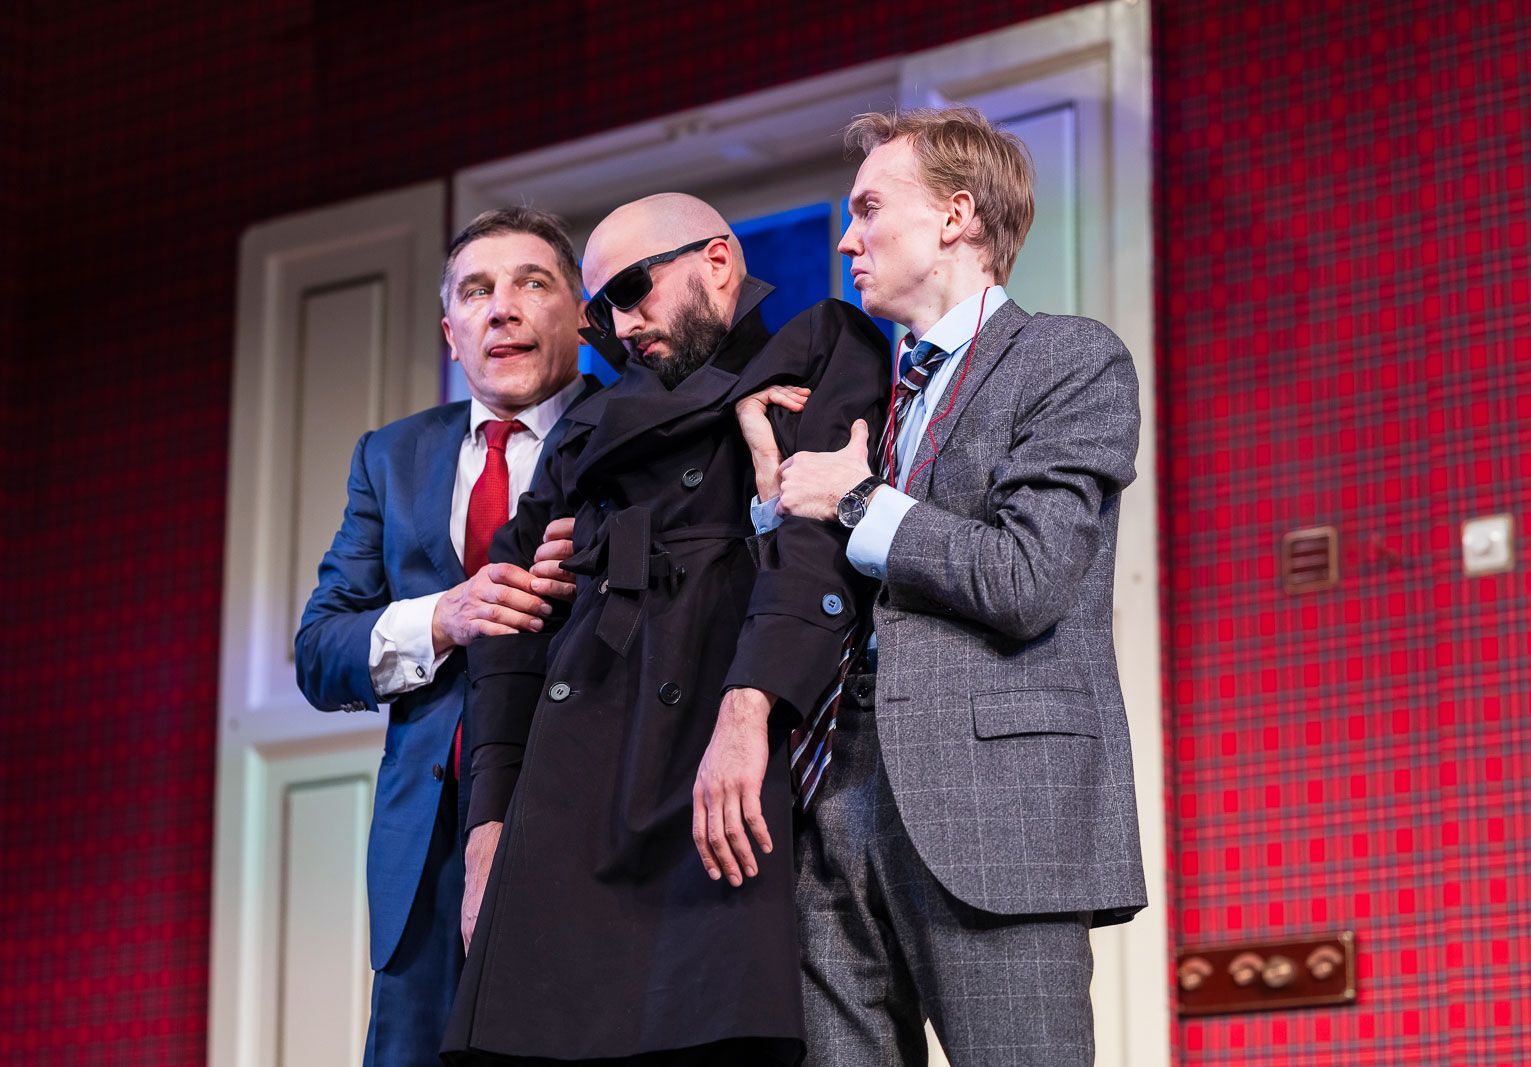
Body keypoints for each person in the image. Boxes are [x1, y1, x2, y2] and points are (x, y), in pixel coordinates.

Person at [441, 192, 888, 1066]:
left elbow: (814, 553)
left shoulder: (816, 347)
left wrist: (750, 707)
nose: (621, 323)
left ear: (717, 262)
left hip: (717, 761)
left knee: (713, 1027)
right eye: (603, 308)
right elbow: (511, 632)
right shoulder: (587, 427)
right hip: (575, 781)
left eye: (633, 289)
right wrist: (488, 825)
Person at [744, 106, 1147, 1066]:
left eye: (868, 208)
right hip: (831, 789)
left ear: (956, 216)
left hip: (992, 806)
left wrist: (856, 500)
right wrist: (770, 499)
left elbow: (1027, 576)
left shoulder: (1067, 357)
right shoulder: (868, 396)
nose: (847, 239)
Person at [295, 207, 594, 1067]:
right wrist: (444, 615)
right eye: (476, 291)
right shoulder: (390, 457)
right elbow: (321, 650)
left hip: (579, 816)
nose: (502, 308)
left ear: (580, 314)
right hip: (424, 844)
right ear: (449, 332)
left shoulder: (631, 430)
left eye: (532, 283)